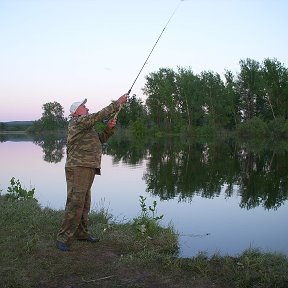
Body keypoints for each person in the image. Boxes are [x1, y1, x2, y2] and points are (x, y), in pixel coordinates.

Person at [56, 93, 128, 251]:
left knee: (84, 203)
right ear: (76, 112)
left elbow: (99, 140)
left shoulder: (87, 127)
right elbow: (97, 116)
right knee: (75, 202)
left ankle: (81, 233)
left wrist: (109, 129)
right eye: (83, 106)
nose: (87, 108)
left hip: (88, 167)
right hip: (78, 167)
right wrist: (117, 103)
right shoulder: (78, 122)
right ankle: (63, 237)